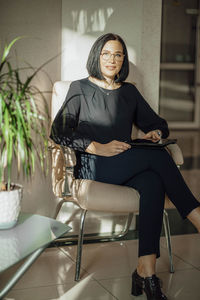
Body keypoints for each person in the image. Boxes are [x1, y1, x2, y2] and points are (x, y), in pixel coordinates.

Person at [50, 33, 200, 300]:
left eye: (118, 54)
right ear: (97, 56)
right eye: (106, 53)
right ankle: (196, 215)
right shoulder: (79, 89)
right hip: (94, 166)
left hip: (124, 163)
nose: (112, 59)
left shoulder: (129, 91)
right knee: (158, 158)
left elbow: (156, 122)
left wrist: (153, 133)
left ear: (123, 61)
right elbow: (59, 131)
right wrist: (96, 146)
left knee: (153, 180)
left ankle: (147, 273)